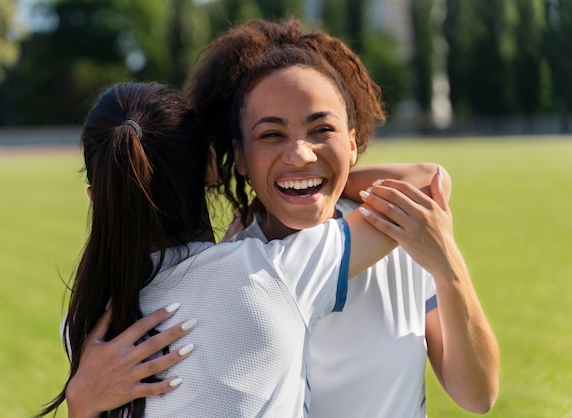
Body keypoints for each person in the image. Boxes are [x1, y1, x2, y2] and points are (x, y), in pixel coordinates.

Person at [63, 18, 499, 417]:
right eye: (271, 135)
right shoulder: (244, 268)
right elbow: (430, 178)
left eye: (321, 130)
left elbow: (477, 396)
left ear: (353, 141)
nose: (299, 154)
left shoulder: (404, 233)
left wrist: (449, 267)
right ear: (238, 159)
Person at [38, 79, 436, 418]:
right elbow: (426, 183)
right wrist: (313, 177)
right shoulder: (273, 273)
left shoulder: (84, 323)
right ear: (212, 166)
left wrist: (80, 405)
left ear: (96, 196)